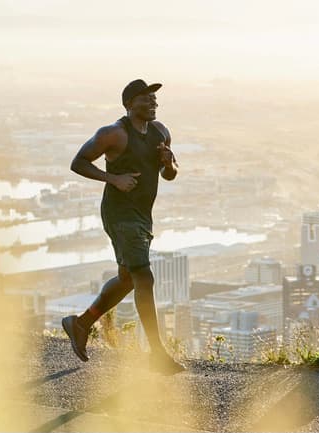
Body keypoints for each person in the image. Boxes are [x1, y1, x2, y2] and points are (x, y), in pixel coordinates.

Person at [61, 79, 183, 374]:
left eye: (154, 99)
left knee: (128, 279)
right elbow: (78, 162)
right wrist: (113, 179)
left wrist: (168, 164)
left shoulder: (160, 132)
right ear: (129, 104)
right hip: (119, 214)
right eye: (145, 99)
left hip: (143, 215)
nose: (153, 103)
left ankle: (81, 323)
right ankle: (157, 354)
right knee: (144, 277)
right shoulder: (113, 134)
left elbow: (171, 175)